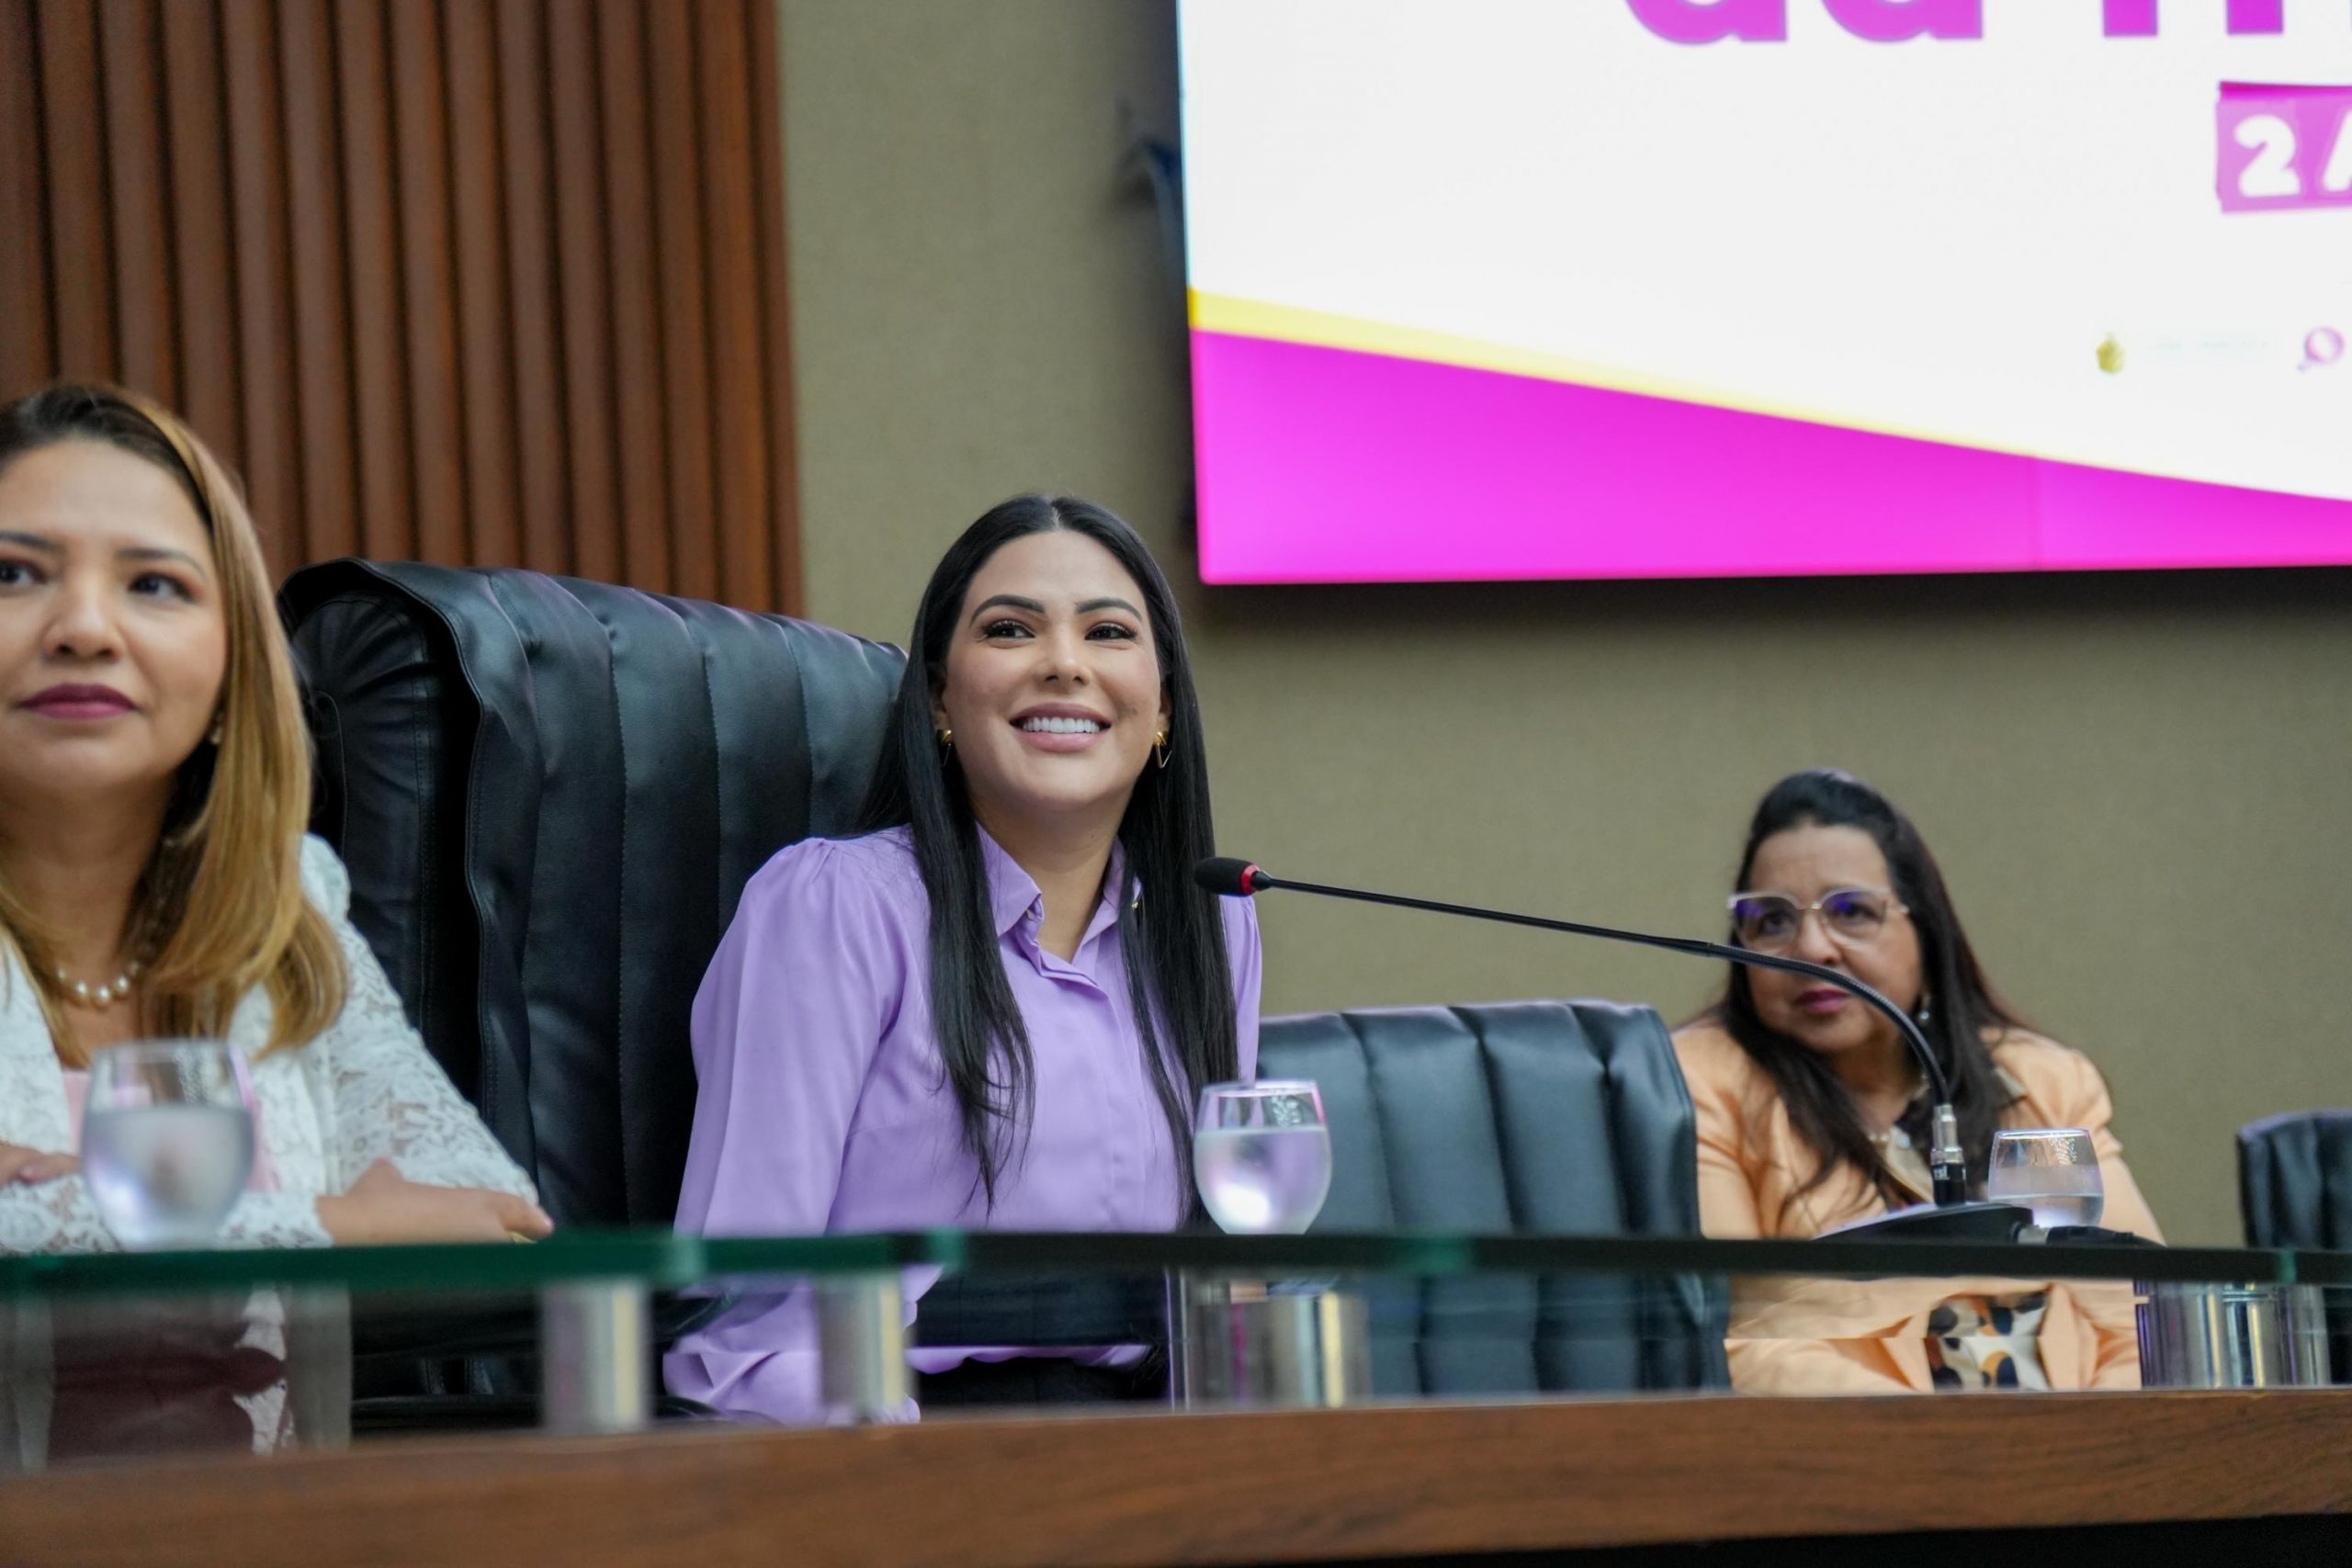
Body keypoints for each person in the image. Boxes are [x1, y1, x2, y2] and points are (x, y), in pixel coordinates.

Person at [0, 384, 549, 1451]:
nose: (85, 630)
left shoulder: (288, 906)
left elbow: (487, 1214)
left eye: (154, 584)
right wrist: (333, 1223)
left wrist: (88, 1204)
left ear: (232, 667)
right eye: (14, 574)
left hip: (268, 1521)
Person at [666, 494, 1261, 1420]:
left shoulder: (1210, 925)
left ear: (1164, 710)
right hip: (892, 1440)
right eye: (1010, 629)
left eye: (1108, 632)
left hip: (1148, 1443)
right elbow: (744, 1331)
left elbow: (1221, 1278)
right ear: (942, 697)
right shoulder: (834, 907)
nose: (1064, 663)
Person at [1672, 769, 2159, 1393]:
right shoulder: (1701, 1081)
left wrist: (2093, 1439)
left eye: (1851, 912)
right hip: (1861, 1441)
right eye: (1771, 920)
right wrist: (1939, 1439)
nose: (1813, 948)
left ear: (1925, 930)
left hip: (2079, 1437)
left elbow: (2142, 1317)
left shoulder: (2042, 1080)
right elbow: (1740, 1338)